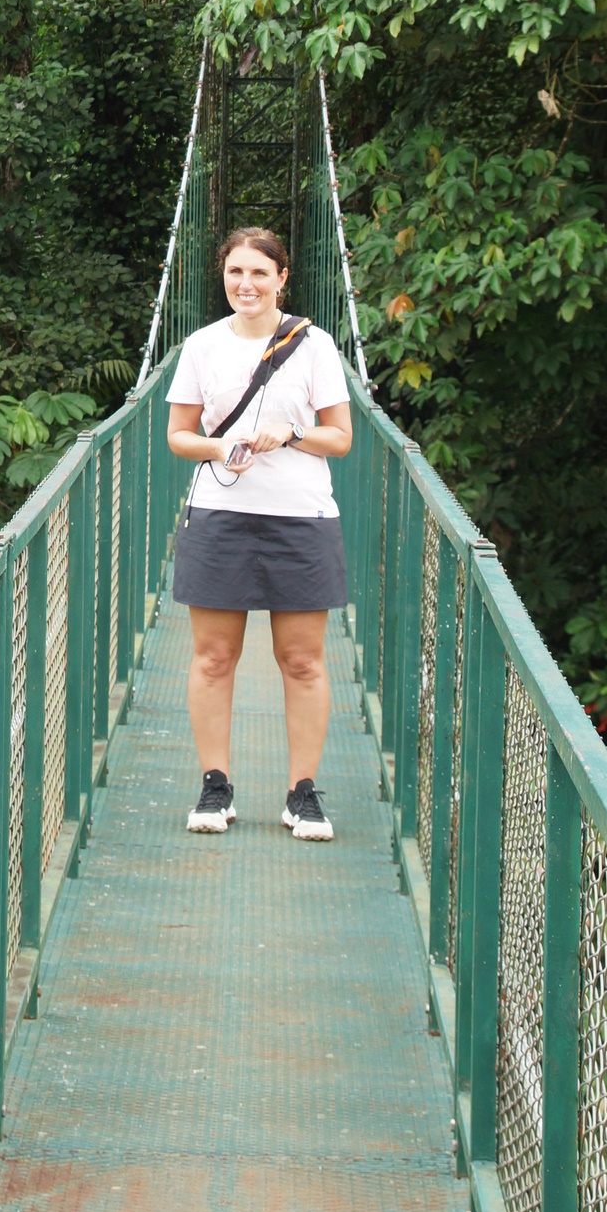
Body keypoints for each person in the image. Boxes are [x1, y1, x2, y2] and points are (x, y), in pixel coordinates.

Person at [166, 226, 353, 840]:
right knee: (214, 658)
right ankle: (214, 787)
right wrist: (221, 447)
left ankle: (303, 794)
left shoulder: (315, 345)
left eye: (259, 273)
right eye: (235, 272)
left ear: (281, 279)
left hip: (301, 518)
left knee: (301, 660)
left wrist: (290, 434)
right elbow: (179, 436)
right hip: (219, 516)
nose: (245, 284)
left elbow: (341, 438)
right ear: (223, 276)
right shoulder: (201, 346)